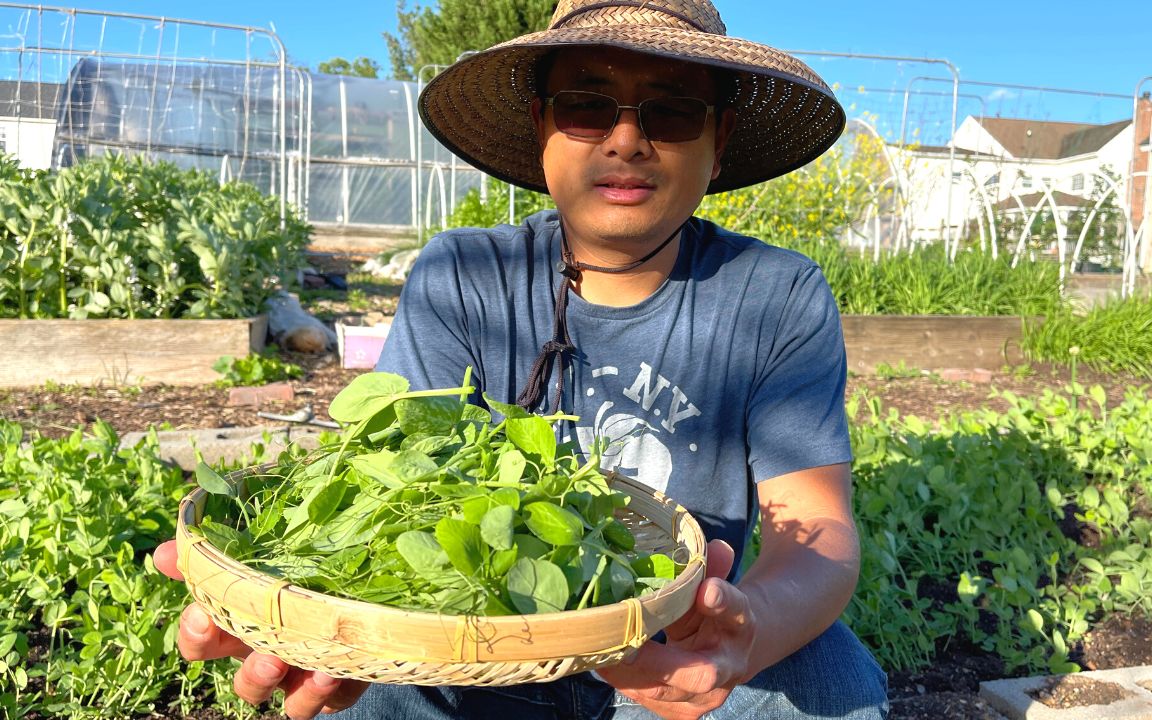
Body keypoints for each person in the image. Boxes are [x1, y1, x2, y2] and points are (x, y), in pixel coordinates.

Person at [153, 1, 890, 718]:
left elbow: (818, 532)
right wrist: (316, 622)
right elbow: (396, 483)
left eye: (669, 113)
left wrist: (745, 633)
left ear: (719, 138)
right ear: (542, 128)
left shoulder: (775, 294)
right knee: (364, 684)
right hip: (468, 642)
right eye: (586, 106)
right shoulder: (462, 276)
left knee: (827, 685)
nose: (626, 141)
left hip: (661, 652)